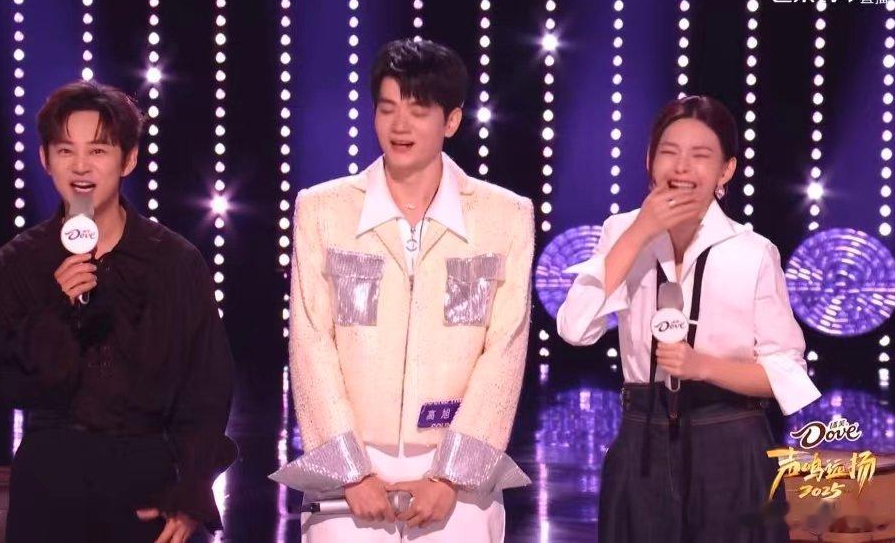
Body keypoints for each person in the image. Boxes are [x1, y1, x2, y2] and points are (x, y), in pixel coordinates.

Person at [270, 38, 534, 543]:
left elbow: (504, 348)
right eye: (387, 108)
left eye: (418, 110)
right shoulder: (324, 210)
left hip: (455, 477)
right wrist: (351, 471)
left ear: (451, 121)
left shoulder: (504, 216)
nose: (399, 125)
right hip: (351, 475)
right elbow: (311, 342)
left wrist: (451, 475)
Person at [0, 80, 236, 543]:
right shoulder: (17, 263)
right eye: (65, 151)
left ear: (128, 159)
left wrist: (191, 491)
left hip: (148, 486)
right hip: (50, 485)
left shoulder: (174, 261)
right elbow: (2, 380)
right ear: (45, 159)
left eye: (98, 150)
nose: (81, 166)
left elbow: (207, 387)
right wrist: (56, 311)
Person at [557, 95, 822, 542]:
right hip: (642, 436)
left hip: (731, 441)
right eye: (669, 152)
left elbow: (788, 374)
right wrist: (640, 231)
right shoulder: (622, 232)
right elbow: (574, 328)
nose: (681, 167)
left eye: (700, 155)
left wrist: (704, 366)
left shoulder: (752, 251)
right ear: (649, 160)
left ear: (726, 171)